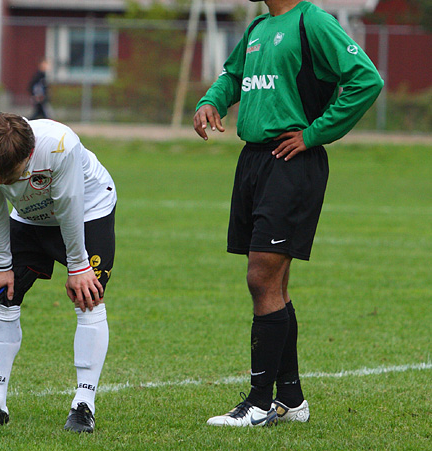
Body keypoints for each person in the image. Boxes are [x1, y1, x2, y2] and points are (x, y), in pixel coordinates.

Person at [193, 0, 383, 427]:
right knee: (274, 282)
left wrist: (316, 133)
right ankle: (291, 401)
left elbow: (365, 79)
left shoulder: (312, 21)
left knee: (261, 277)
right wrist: (212, 101)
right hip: (254, 160)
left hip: (292, 162)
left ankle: (259, 403)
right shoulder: (260, 26)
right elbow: (233, 76)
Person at [0, 112, 117, 433]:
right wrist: (0, 266)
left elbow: (70, 204)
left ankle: (84, 405)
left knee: (87, 296)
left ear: (29, 155)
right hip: (30, 216)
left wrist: (78, 266)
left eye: (9, 174)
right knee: (0, 295)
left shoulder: (60, 146)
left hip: (87, 211)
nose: (1, 181)